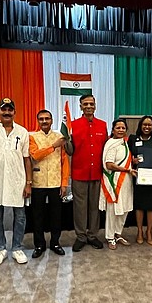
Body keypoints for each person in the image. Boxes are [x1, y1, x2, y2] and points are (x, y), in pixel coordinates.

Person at [0, 98, 32, 266]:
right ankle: (0, 249)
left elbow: (27, 160)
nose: (7, 112)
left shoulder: (22, 131)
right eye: (4, 109)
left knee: (20, 217)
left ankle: (17, 248)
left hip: (18, 180)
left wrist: (28, 183)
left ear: (14, 112)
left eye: (10, 110)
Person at [64, 94, 107, 252]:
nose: (89, 106)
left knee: (94, 206)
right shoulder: (73, 125)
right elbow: (70, 151)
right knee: (80, 207)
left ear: (95, 106)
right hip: (79, 173)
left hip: (96, 173)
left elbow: (105, 149)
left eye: (91, 104)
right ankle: (81, 236)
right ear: (80, 106)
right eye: (85, 104)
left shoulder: (102, 125)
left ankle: (92, 235)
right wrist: (66, 139)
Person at [29, 109, 69, 258]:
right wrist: (53, 146)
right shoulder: (32, 137)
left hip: (55, 182)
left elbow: (65, 162)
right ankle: (39, 245)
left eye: (47, 119)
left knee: (56, 215)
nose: (44, 121)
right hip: (38, 182)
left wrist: (64, 183)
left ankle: (55, 243)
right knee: (37, 216)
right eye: (41, 119)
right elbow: (35, 155)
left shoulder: (60, 137)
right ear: (38, 121)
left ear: (52, 120)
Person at [128, 115, 152, 245]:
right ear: (140, 126)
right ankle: (139, 231)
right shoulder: (133, 139)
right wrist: (132, 161)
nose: (147, 127)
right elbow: (127, 156)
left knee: (151, 205)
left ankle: (149, 231)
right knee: (139, 205)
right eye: (144, 124)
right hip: (139, 177)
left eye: (149, 125)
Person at [100, 119, 137, 249]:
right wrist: (127, 169)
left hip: (126, 182)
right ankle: (110, 237)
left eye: (123, 128)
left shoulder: (124, 144)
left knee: (124, 209)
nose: (121, 130)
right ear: (113, 130)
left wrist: (133, 161)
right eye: (118, 128)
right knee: (113, 211)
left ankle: (118, 233)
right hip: (114, 181)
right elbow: (109, 165)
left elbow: (125, 161)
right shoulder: (111, 144)